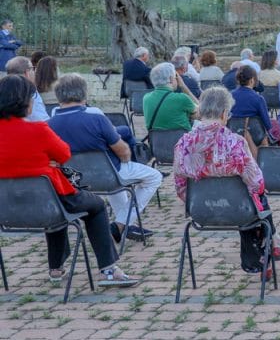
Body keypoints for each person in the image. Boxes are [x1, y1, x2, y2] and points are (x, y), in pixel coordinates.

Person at [0, 75, 139, 287]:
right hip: (50, 197)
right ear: (24, 101)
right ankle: (108, 268)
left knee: (54, 210)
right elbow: (64, 154)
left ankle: (55, 267)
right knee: (96, 206)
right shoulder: (38, 129)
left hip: (7, 206)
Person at [174, 87, 280, 276]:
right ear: (224, 114)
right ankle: (268, 250)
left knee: (249, 199)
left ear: (200, 112)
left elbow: (180, 186)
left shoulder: (183, 143)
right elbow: (257, 182)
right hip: (239, 209)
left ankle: (266, 253)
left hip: (200, 210)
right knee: (253, 199)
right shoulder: (235, 142)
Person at [48, 74, 162, 244]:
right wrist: (125, 160)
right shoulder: (97, 119)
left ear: (58, 96)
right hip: (108, 172)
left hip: (74, 179)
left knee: (116, 183)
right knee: (154, 176)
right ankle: (121, 224)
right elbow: (123, 151)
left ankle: (123, 224)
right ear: (84, 94)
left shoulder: (49, 124)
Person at [143, 62, 198, 132]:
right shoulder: (182, 98)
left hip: (157, 142)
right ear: (171, 79)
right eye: (175, 77)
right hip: (182, 141)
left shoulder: (146, 98)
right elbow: (203, 113)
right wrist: (184, 87)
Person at [230, 65, 276, 146]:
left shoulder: (229, 96)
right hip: (256, 137)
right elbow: (268, 124)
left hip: (234, 134)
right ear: (252, 80)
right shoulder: (258, 98)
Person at [6, 56, 48, 122]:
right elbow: (42, 120)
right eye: (33, 69)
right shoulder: (29, 91)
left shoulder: (4, 90)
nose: (34, 72)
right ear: (27, 73)